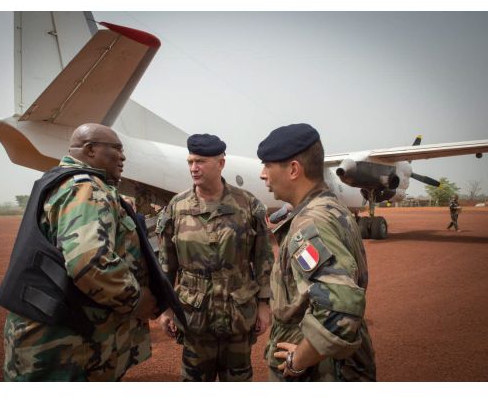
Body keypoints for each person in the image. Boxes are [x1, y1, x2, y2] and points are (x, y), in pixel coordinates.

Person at [0, 123, 159, 381]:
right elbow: (90, 260)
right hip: (67, 344)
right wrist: (136, 300)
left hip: (53, 333)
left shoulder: (60, 180)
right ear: (90, 150)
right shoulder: (87, 189)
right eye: (116, 148)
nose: (123, 156)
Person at [258, 123, 376, 381]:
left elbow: (341, 308)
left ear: (293, 170)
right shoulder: (331, 205)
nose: (262, 174)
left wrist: (298, 360)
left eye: (267, 165)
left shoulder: (310, 223)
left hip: (320, 370)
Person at [157, 133, 274, 381]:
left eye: (200, 161)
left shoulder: (248, 204)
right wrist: (166, 308)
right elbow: (166, 263)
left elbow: (263, 259)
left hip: (238, 313)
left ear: (220, 163)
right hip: (194, 315)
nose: (193, 168)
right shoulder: (177, 206)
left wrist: (264, 305)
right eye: (190, 162)